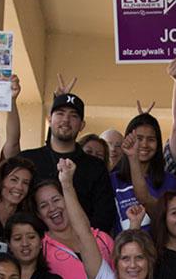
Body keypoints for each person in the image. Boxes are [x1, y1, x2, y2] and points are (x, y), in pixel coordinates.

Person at [33, 168, 115, 279]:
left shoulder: (103, 239)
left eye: (56, 199)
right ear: (38, 215)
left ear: (68, 200)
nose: (52, 208)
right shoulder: (40, 248)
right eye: (44, 205)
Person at [19, 92, 118, 232]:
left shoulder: (95, 167)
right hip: (34, 247)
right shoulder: (28, 159)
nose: (66, 120)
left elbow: (104, 217)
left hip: (80, 249)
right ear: (49, 118)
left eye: (73, 115)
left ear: (82, 125)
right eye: (60, 113)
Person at [111, 113, 176, 231]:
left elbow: (157, 213)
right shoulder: (113, 179)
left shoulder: (170, 181)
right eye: (139, 139)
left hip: (157, 248)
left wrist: (133, 158)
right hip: (122, 247)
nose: (144, 144)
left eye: (151, 139)